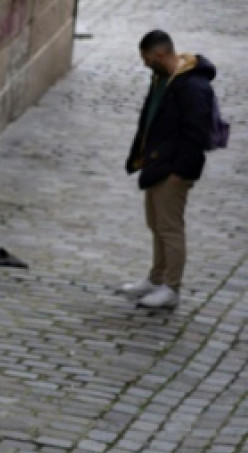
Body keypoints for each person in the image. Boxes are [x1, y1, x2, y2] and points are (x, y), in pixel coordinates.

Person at [121, 30, 217, 310]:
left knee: (170, 228)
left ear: (160, 54)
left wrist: (180, 172)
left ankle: (171, 288)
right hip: (157, 162)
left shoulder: (193, 86)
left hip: (173, 169)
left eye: (147, 58)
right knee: (156, 224)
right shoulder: (163, 78)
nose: (144, 63)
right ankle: (156, 279)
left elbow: (196, 133)